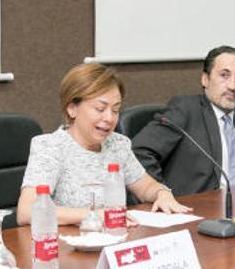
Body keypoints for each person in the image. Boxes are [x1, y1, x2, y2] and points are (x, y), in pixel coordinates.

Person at [16, 62, 191, 225]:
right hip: (68, 248)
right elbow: (27, 211)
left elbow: (145, 187)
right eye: (100, 109)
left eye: (115, 110)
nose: (109, 118)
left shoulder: (117, 144)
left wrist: (162, 193)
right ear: (72, 108)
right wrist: (96, 215)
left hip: (115, 240)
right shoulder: (50, 147)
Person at [131, 45, 235, 196]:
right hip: (193, 212)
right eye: (224, 75)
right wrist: (160, 194)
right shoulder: (185, 111)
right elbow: (139, 152)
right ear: (205, 79)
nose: (232, 86)